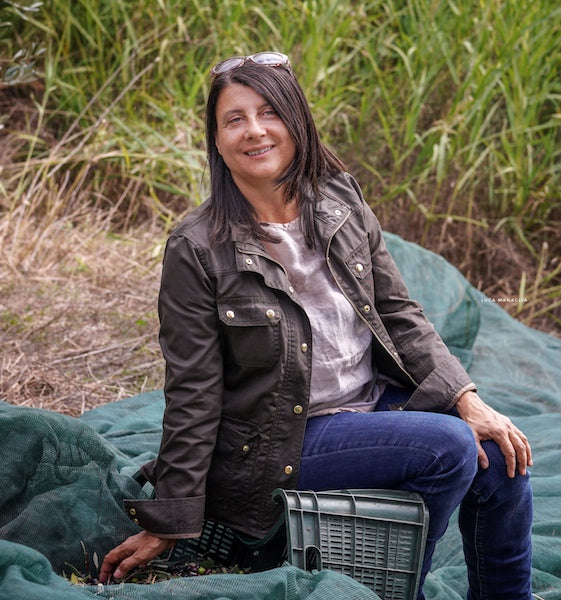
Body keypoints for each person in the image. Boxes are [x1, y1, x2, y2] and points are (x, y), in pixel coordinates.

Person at [99, 52, 533, 599]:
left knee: (502, 456)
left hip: (371, 406)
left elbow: (399, 314)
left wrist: (467, 397)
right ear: (216, 139)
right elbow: (193, 390)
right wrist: (172, 517)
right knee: (447, 444)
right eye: (234, 119)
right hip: (280, 440)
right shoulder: (197, 247)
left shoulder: (340, 201)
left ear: (296, 121)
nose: (254, 131)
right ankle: (396, 592)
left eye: (268, 113)